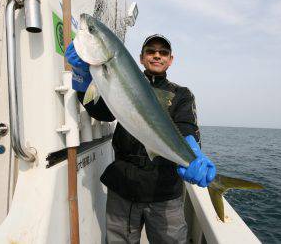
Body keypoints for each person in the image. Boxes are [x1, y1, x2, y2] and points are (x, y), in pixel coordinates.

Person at [65, 34, 216, 244]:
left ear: (170, 59)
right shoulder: (122, 80)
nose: (157, 56)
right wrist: (81, 77)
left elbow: (186, 127)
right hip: (124, 187)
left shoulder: (181, 94)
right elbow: (102, 113)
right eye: (150, 51)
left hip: (164, 191)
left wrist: (192, 151)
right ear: (141, 58)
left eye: (163, 53)